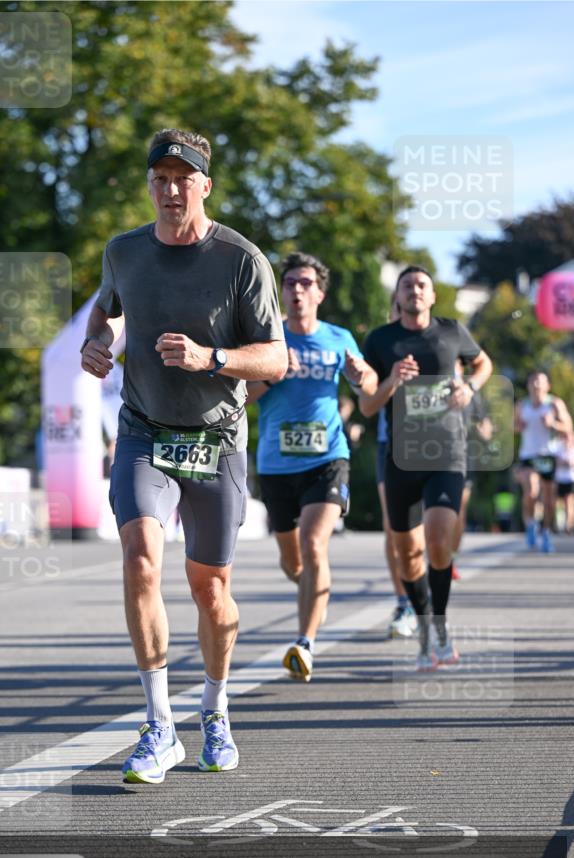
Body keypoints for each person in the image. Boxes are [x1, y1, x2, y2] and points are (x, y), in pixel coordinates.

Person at [81, 128, 287, 784]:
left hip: (215, 438)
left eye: (183, 179)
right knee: (141, 562)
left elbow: (276, 358)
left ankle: (216, 711)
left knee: (211, 589)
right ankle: (158, 725)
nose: (171, 190)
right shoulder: (123, 253)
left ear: (204, 185)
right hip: (143, 432)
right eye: (160, 179)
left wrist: (212, 359)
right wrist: (95, 345)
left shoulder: (240, 260)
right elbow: (102, 314)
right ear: (150, 186)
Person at [358, 266, 493, 670]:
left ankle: (440, 626)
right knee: (408, 552)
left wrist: (470, 387)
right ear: (397, 297)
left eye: (422, 285)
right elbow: (367, 406)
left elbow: (482, 364)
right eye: (407, 286)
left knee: (436, 540)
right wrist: (393, 381)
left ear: (432, 297)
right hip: (400, 458)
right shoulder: (381, 341)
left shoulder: (452, 331)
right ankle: (422, 624)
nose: (414, 291)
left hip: (447, 452)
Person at [247, 252, 369, 681]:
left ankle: (305, 643)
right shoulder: (268, 341)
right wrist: (271, 376)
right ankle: (309, 591)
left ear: (319, 292)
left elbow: (368, 389)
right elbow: (241, 397)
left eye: (305, 283)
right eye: (290, 284)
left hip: (327, 458)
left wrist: (360, 375)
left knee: (314, 543)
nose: (296, 290)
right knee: (293, 563)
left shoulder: (339, 338)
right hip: (277, 465)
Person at [375, 296, 417, 638]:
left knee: (427, 533)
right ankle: (404, 602)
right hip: (388, 448)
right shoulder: (381, 347)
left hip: (430, 450)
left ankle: (422, 592)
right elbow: (366, 396)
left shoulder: (428, 346)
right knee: (394, 528)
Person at [514, 371, 573, 553]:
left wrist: (553, 424)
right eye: (533, 382)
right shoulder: (522, 405)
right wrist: (518, 426)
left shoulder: (554, 404)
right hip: (528, 455)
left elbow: (569, 428)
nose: (537, 386)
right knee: (531, 491)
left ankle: (546, 533)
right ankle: (531, 524)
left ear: (547, 386)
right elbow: (513, 425)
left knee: (548, 500)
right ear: (529, 386)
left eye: (540, 382)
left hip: (548, 454)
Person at [451, 358, 494, 579]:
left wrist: (486, 433)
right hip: (432, 454)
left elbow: (483, 423)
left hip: (464, 457)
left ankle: (451, 558)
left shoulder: (472, 393)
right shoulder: (431, 387)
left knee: (459, 510)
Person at [553, 429, 574, 534]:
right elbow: (556, 461)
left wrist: (568, 463)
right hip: (560, 479)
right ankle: (557, 524)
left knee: (570, 502)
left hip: (572, 479)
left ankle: (569, 525)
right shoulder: (558, 449)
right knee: (558, 503)